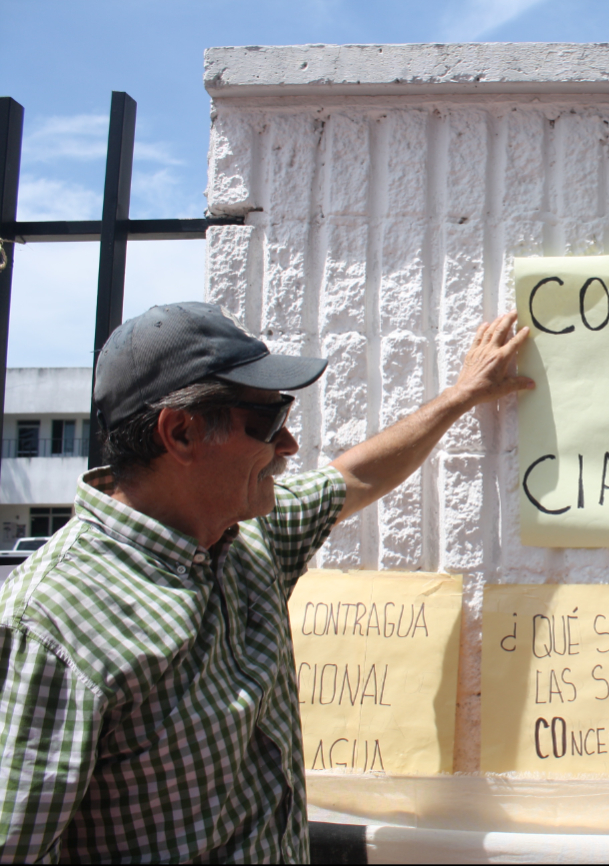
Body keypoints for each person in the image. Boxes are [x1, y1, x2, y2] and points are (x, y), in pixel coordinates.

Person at [0, 302, 532, 863]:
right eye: (268, 421)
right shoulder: (55, 623)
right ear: (180, 433)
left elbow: (353, 477)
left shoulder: (248, 537)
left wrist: (462, 395)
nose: (289, 447)